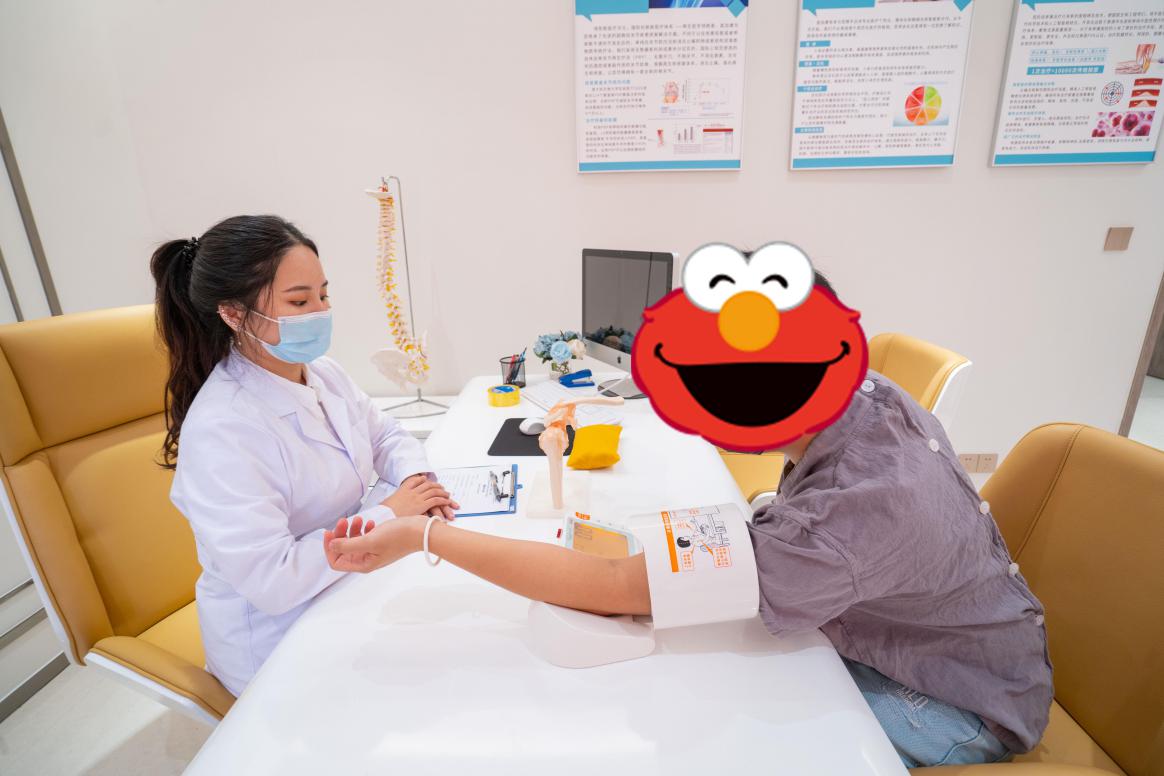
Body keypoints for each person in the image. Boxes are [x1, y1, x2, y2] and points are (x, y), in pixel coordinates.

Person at [323, 275, 1052, 768]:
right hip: (945, 634)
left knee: (716, 724)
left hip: (961, 702)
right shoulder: (865, 391)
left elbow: (618, 586)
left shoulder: (852, 515)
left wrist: (427, 537)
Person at [151, 214, 458, 696]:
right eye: (299, 301)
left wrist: (416, 479)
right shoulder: (222, 428)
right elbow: (274, 579)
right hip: (279, 639)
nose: (320, 311)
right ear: (233, 314)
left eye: (323, 295)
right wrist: (390, 514)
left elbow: (383, 435)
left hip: (345, 585)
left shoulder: (322, 372)